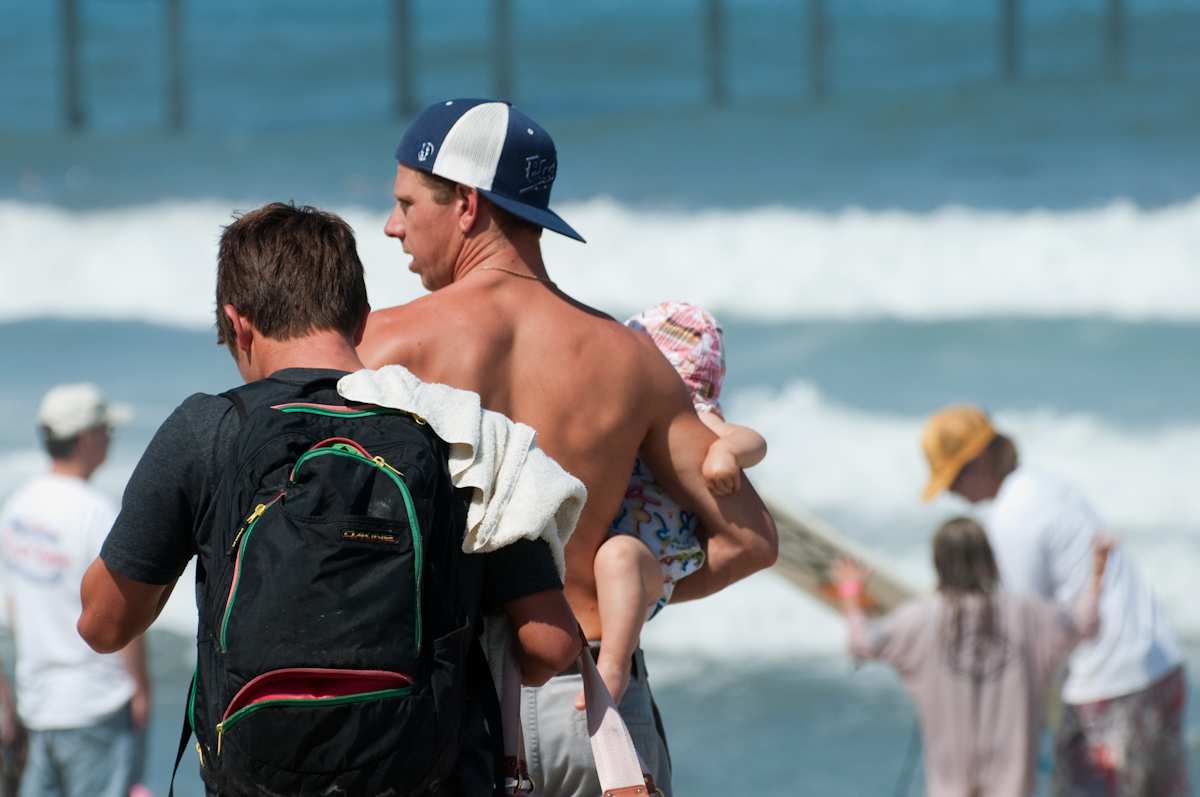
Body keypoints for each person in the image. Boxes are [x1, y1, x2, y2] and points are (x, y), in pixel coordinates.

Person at [74, 202, 580, 796]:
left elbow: (104, 624)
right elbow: (550, 645)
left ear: (238, 325)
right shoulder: (456, 433)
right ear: (362, 320)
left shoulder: (207, 431)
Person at [358, 98, 778, 796]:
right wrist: (638, 595)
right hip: (598, 702)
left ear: (466, 204)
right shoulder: (630, 359)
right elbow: (752, 541)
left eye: (407, 202)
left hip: (455, 708)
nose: (392, 224)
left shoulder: (385, 345)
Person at [921, 404, 1189, 796]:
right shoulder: (1045, 486)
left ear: (977, 460)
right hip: (1160, 666)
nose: (949, 491)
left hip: (1108, 684)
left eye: (951, 478)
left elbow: (1028, 630)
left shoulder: (1012, 518)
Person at [833, 517, 1112, 797]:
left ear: (938, 563)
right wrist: (1098, 571)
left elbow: (862, 642)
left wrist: (850, 593)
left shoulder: (920, 620)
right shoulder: (1027, 615)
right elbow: (1086, 623)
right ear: (990, 560)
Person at [589, 301, 767, 705]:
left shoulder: (691, 414)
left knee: (619, 558)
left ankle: (614, 667)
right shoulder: (626, 408)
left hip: (657, 558)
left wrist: (727, 454)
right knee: (612, 560)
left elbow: (754, 440)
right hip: (625, 550)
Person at [0, 383, 149, 797]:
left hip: (37, 704)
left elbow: (11, 609)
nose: (110, 439)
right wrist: (141, 691)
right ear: (86, 438)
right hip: (95, 704)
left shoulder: (17, 508)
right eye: (107, 430)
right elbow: (119, 613)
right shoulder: (96, 511)